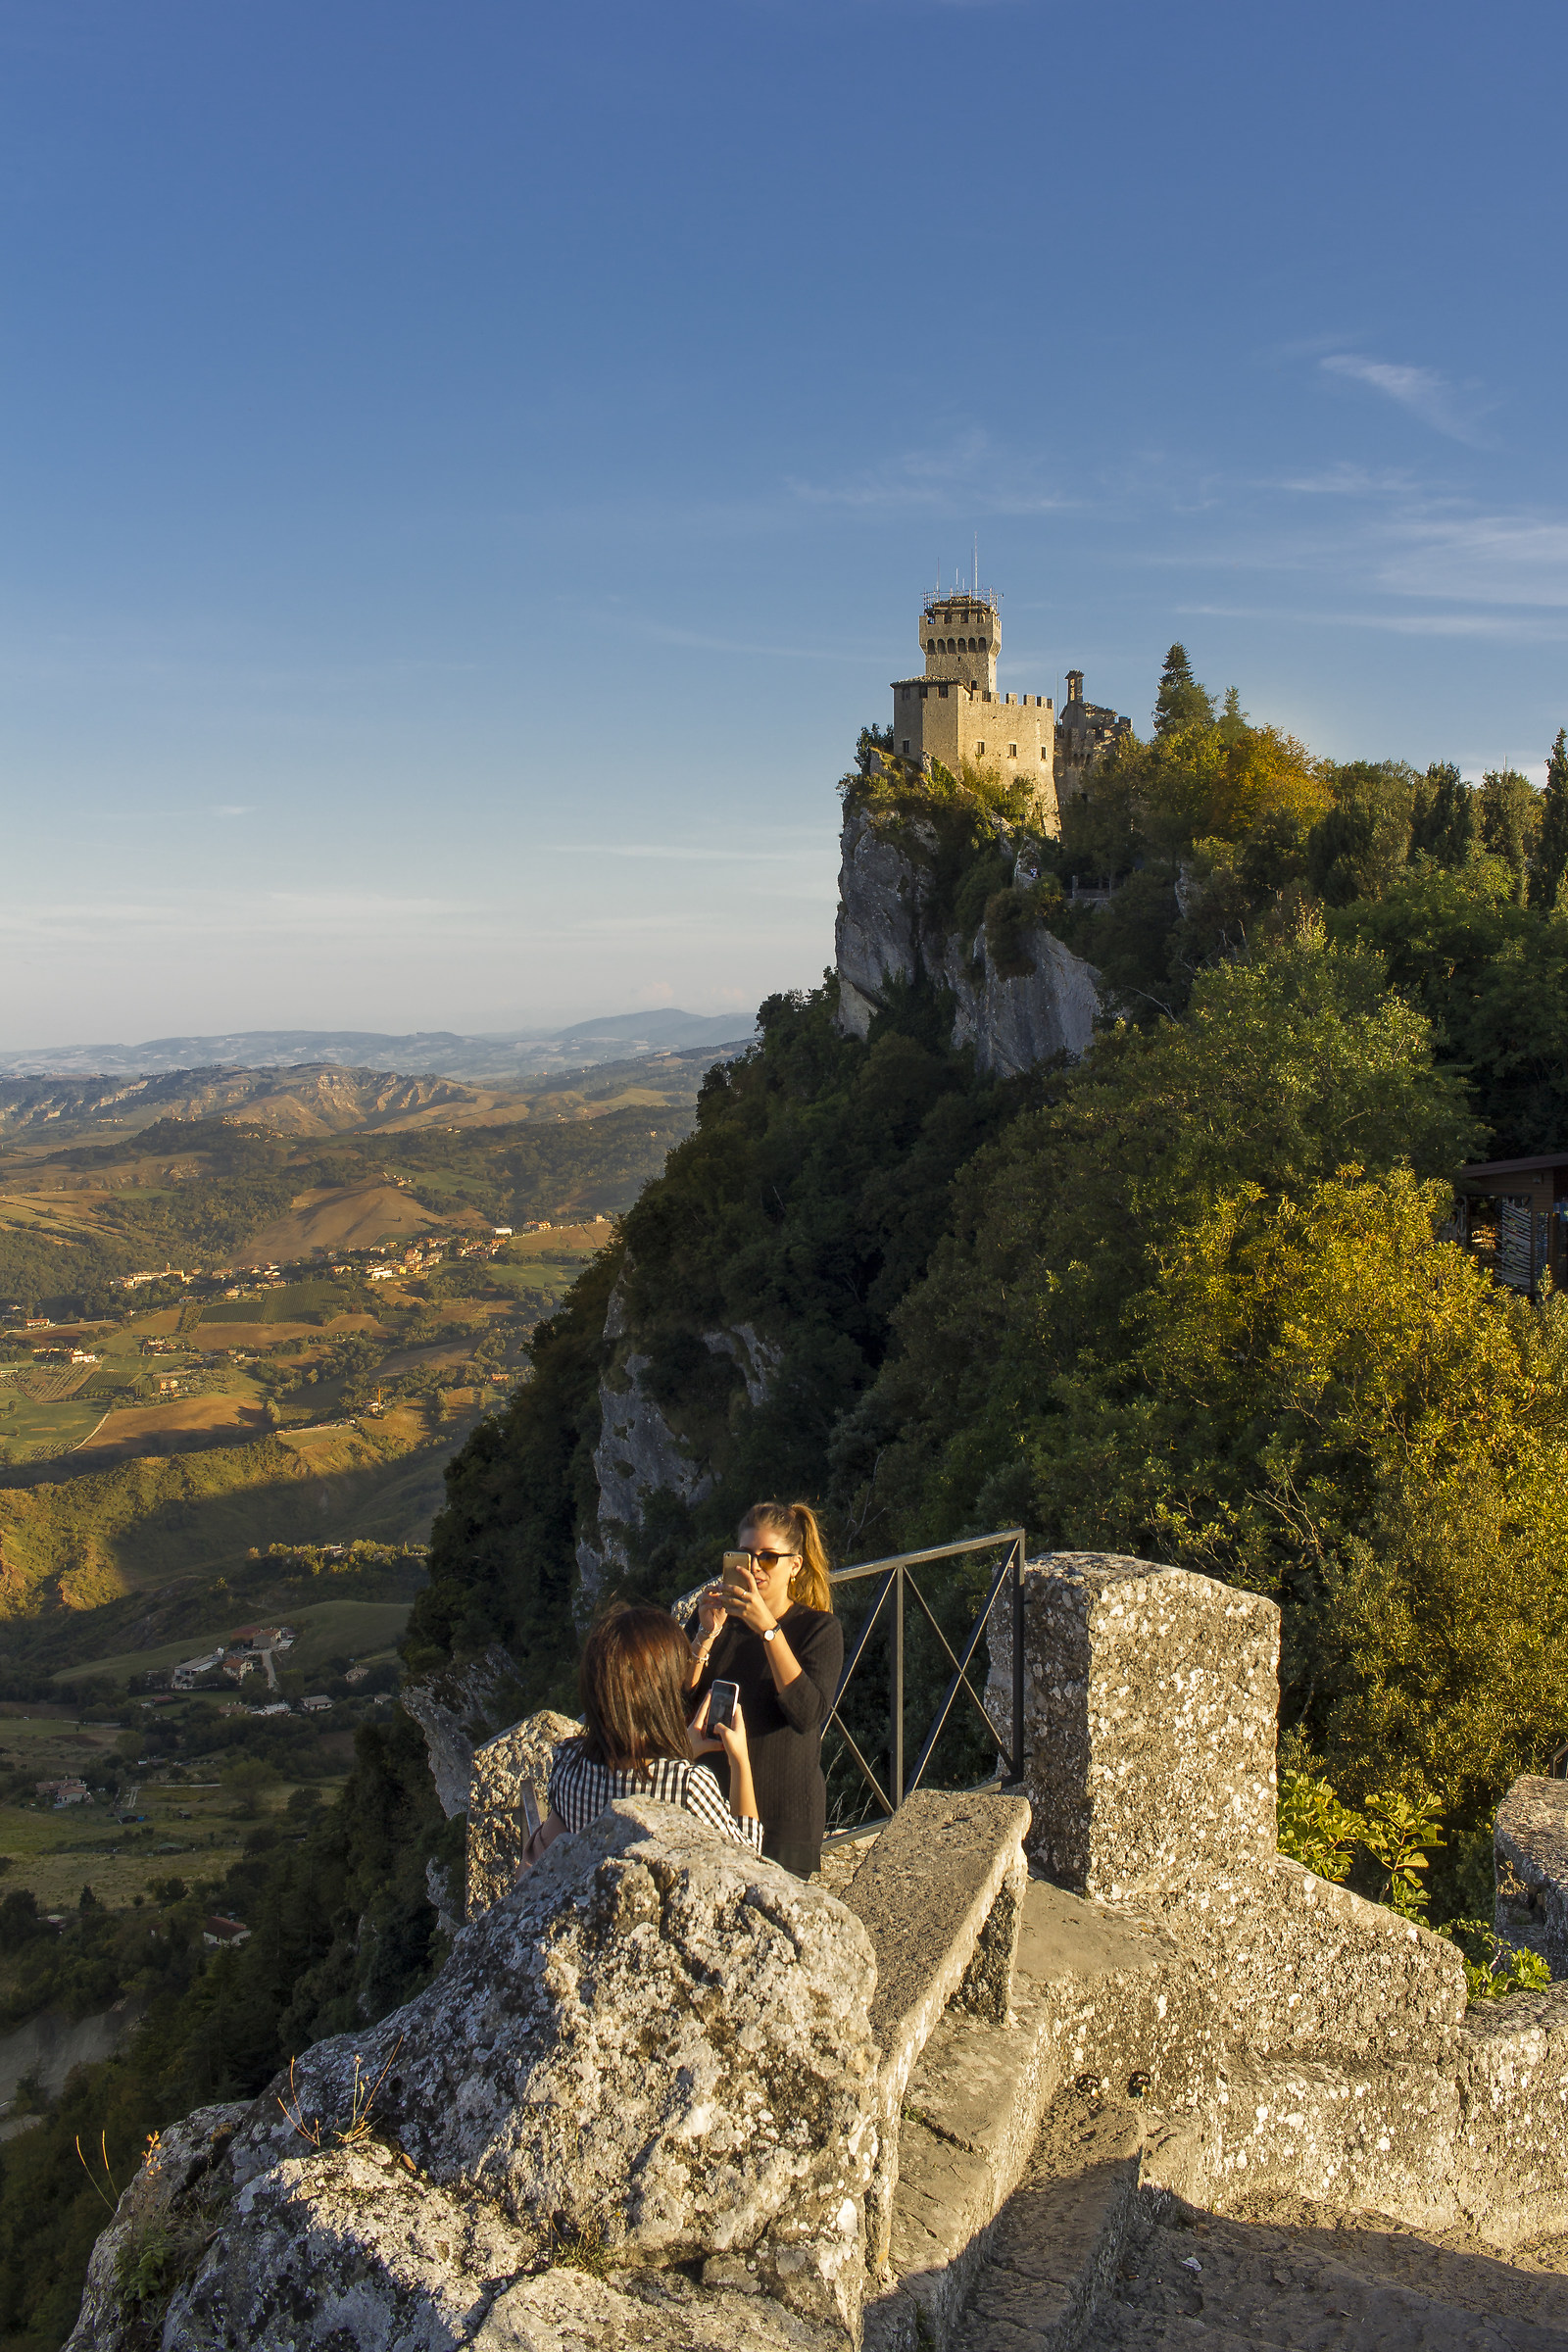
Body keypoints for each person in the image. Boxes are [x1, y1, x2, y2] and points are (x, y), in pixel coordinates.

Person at [525, 1602, 760, 1868]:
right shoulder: (689, 1787)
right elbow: (749, 1862)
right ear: (661, 1695)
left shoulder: (567, 1762)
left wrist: (682, 1750)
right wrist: (740, 1760)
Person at [686, 1500, 844, 1879]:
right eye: (745, 1555)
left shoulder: (818, 1630)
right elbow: (682, 1700)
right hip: (710, 1809)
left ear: (795, 1566)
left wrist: (768, 1629)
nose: (754, 1567)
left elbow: (806, 1714)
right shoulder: (714, 1618)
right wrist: (705, 1636)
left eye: (768, 1558)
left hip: (781, 1824)